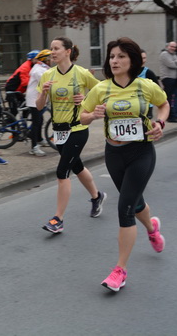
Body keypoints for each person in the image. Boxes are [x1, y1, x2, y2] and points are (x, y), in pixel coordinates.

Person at [80, 37, 169, 292]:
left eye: (120, 56)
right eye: (112, 57)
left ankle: (119, 270)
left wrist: (160, 124)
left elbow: (163, 105)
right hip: (114, 153)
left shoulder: (145, 85)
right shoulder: (101, 89)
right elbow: (83, 116)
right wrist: (93, 115)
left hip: (141, 152)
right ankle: (152, 228)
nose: (115, 61)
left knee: (124, 208)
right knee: (134, 201)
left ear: (131, 60)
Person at [36, 37, 106, 233]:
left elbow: (102, 92)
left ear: (68, 51)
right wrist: (44, 93)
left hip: (77, 129)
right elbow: (39, 106)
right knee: (76, 166)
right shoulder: (47, 75)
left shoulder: (82, 73)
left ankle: (58, 219)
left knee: (62, 172)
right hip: (58, 130)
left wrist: (86, 99)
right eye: (51, 49)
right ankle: (96, 196)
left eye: (56, 48)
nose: (52, 52)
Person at [25, 49, 52, 156]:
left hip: (39, 99)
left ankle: (39, 139)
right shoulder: (38, 70)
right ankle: (34, 147)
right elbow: (47, 83)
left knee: (40, 120)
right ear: (45, 59)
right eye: (49, 58)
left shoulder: (43, 68)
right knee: (36, 122)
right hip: (34, 100)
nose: (51, 60)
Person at [5, 50, 38, 116]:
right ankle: (11, 124)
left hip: (18, 91)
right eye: (38, 59)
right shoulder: (25, 67)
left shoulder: (32, 66)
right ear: (32, 59)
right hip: (12, 89)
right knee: (14, 111)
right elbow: (25, 83)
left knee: (26, 107)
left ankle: (23, 123)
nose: (39, 61)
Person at [159, 41, 177, 122]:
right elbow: (171, 64)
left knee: (172, 99)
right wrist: (176, 62)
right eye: (171, 46)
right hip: (167, 78)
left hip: (173, 79)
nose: (173, 48)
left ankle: (173, 115)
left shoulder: (173, 54)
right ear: (167, 46)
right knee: (168, 99)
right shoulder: (164, 54)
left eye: (174, 47)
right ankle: (169, 117)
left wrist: (176, 62)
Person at [139, 50, 160, 119]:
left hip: (147, 106)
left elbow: (158, 88)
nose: (143, 60)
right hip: (133, 105)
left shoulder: (148, 72)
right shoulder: (128, 72)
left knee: (145, 127)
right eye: (141, 58)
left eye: (144, 58)